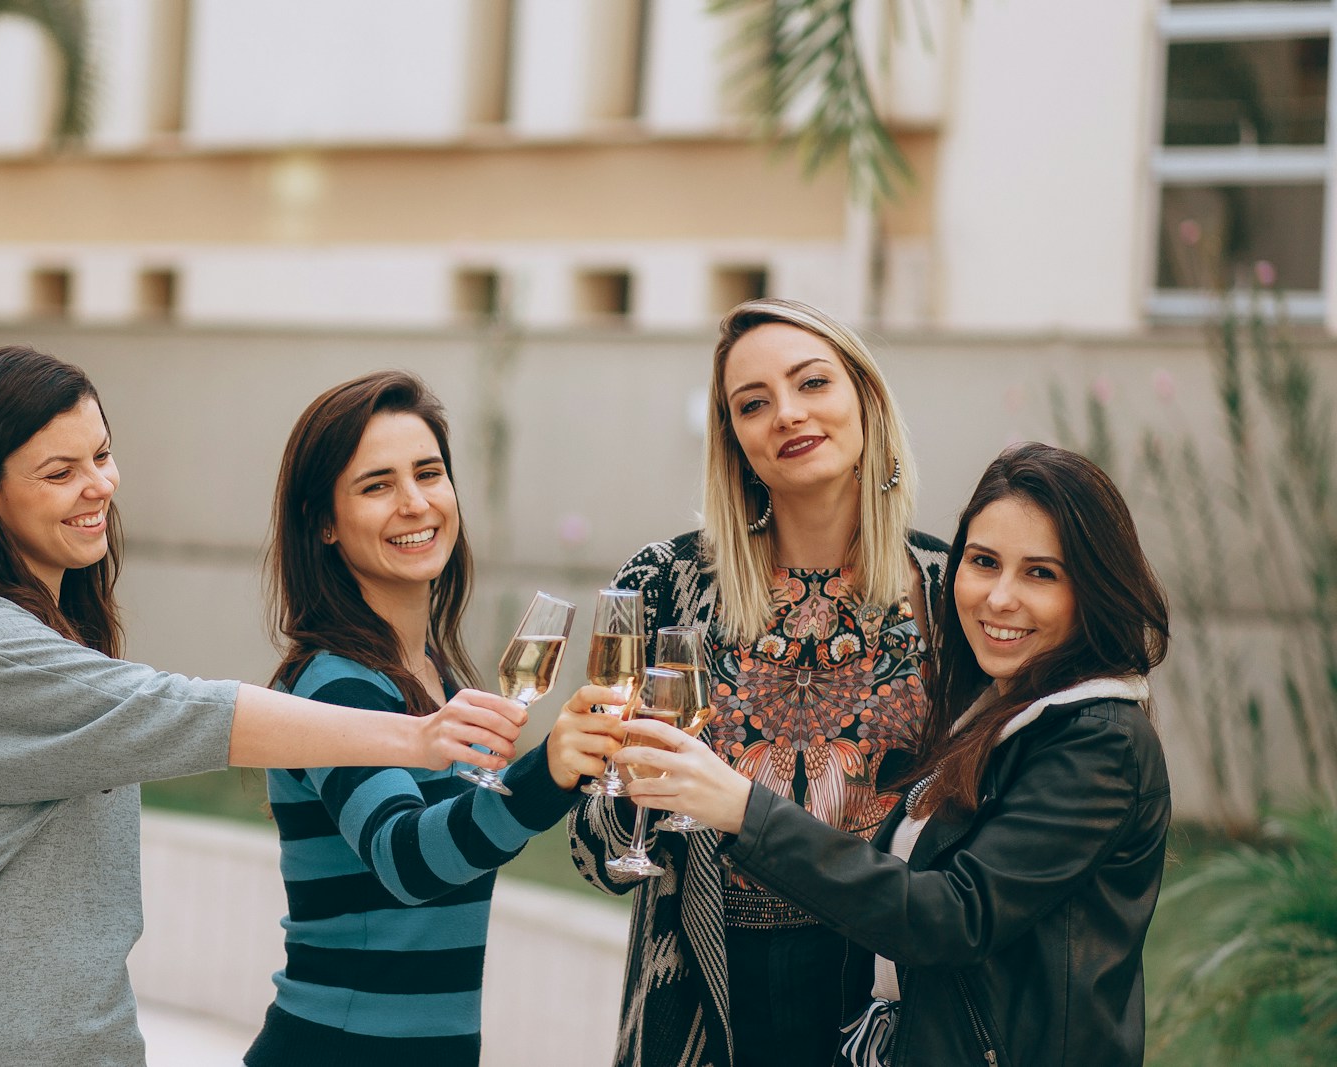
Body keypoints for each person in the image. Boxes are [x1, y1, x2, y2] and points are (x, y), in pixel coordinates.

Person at [0, 346, 528, 1067]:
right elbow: (175, 710)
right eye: (60, 472)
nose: (98, 486)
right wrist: (418, 738)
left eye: (101, 455)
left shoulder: (49, 636)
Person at [619, 442, 1172, 1067]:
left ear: (1095, 589)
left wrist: (745, 809)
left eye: (1040, 573)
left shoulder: (1100, 741)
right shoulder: (995, 711)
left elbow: (951, 915)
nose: (998, 598)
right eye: (984, 562)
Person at [568, 298, 949, 1067]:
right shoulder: (664, 584)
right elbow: (595, 848)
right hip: (702, 998)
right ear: (734, 439)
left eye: (812, 383)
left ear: (865, 401)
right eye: (753, 403)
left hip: (887, 992)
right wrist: (619, 791)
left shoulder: (949, 591)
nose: (786, 414)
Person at [244, 370, 624, 1066]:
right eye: (376, 484)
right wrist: (547, 771)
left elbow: (470, 840)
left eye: (429, 472)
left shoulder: (437, 679)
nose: (415, 503)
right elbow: (407, 859)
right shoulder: (333, 685)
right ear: (323, 522)